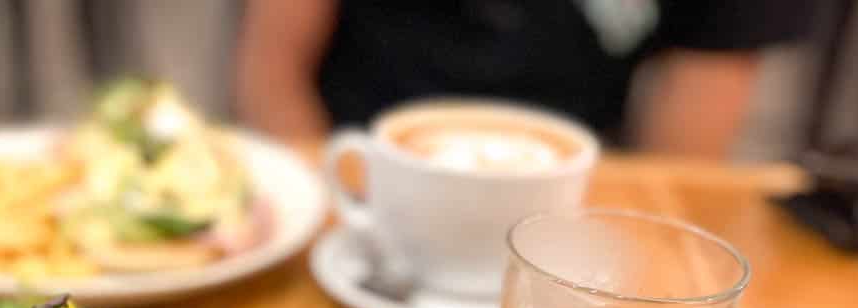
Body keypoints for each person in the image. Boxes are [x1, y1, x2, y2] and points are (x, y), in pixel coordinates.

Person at [234, 0, 814, 157]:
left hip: (582, 190)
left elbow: (682, 169)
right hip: (351, 157)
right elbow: (272, 73)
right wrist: (340, 211)